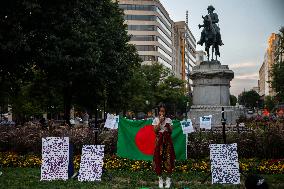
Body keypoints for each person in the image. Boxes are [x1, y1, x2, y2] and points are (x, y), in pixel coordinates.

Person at [152, 103, 175, 188]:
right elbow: (155, 131)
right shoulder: (155, 120)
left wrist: (168, 126)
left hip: (167, 141)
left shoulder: (169, 119)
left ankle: (168, 178)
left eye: (164, 111)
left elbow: (171, 131)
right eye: (161, 111)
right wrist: (160, 122)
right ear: (158, 111)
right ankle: (160, 178)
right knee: (158, 158)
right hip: (159, 141)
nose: (162, 112)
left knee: (169, 158)